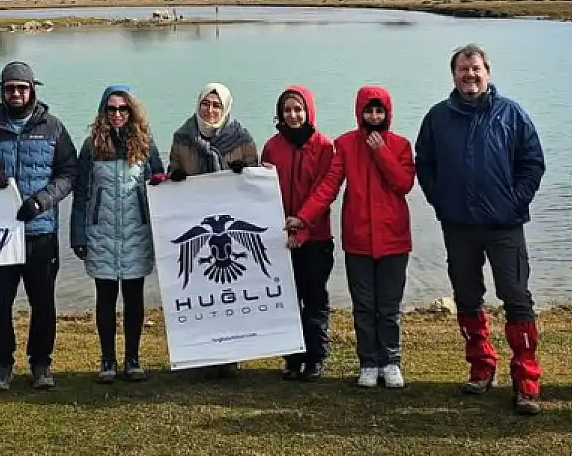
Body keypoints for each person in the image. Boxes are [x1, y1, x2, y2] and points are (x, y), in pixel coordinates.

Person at [415, 44, 546, 415]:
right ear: (453, 75)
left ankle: (526, 378)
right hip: (458, 225)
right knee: (467, 296)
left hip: (505, 226)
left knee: (516, 297)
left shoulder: (512, 114)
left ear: (487, 72)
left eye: (475, 69)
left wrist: (515, 202)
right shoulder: (437, 117)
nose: (469, 75)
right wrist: (441, 201)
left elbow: (532, 163)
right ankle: (481, 366)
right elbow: (425, 164)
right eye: (463, 69)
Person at [0, 61, 78, 391]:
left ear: (32, 90)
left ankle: (41, 364)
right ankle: (2, 366)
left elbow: (69, 173)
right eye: (10, 88)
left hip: (40, 233)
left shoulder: (53, 128)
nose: (15, 93)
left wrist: (41, 201)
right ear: (2, 92)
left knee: (43, 304)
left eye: (21, 88)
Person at [291, 85, 414, 390]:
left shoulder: (400, 145)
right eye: (368, 110)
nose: (374, 116)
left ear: (387, 113)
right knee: (364, 307)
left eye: (379, 110)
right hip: (358, 239)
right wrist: (304, 217)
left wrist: (381, 152)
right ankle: (369, 363)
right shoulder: (345, 144)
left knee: (389, 307)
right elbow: (328, 187)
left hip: (394, 239)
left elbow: (404, 184)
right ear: (360, 112)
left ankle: (391, 361)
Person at [69, 85, 166, 383]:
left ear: (132, 111)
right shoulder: (91, 146)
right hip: (102, 232)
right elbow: (81, 194)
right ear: (103, 111)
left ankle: (133, 359)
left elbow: (160, 183)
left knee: (134, 298)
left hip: (137, 232)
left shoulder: (145, 144)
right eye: (111, 109)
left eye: (123, 108)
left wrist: (162, 227)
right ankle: (108, 360)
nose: (117, 114)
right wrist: (78, 235)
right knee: (106, 298)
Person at [166, 82, 259, 378]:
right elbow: (172, 169)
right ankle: (203, 351)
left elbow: (256, 180)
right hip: (198, 224)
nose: (210, 110)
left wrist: (244, 172)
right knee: (201, 287)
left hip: (229, 228)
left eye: (217, 105)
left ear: (226, 108)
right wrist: (175, 176)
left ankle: (232, 353)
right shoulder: (182, 138)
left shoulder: (242, 138)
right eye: (205, 104)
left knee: (231, 291)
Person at [262, 85, 335, 382]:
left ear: (308, 111)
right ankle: (292, 357)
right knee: (287, 300)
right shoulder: (272, 146)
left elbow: (324, 192)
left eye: (298, 109)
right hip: (281, 237)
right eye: (287, 110)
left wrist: (302, 227)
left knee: (314, 298)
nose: (293, 115)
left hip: (316, 237)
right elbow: (263, 191)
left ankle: (315, 357)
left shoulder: (324, 147)